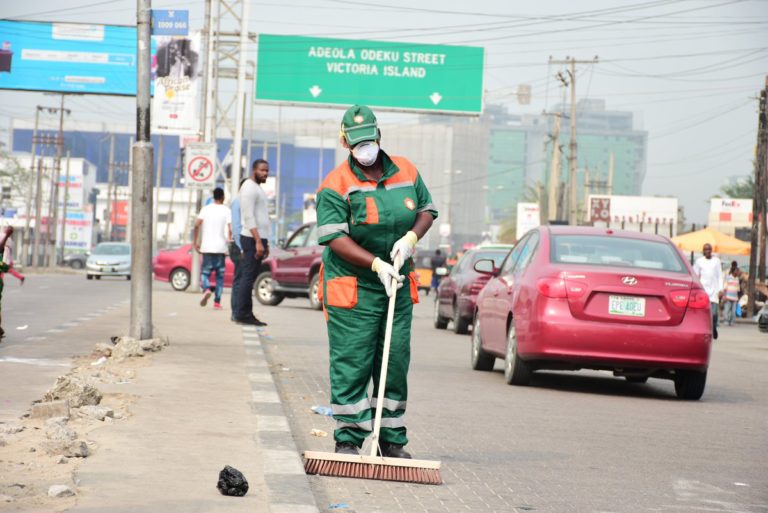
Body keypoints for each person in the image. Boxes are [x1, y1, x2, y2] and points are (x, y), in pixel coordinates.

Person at [316, 105, 437, 458]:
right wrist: (375, 264)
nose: (364, 148)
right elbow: (334, 237)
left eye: (368, 140)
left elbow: (426, 210)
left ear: (379, 136)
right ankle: (349, 438)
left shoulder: (407, 170)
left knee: (394, 360)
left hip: (396, 283)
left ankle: (390, 437)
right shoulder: (335, 184)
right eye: (356, 143)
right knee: (352, 360)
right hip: (353, 285)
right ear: (345, 143)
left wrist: (411, 238)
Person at [233, 159, 270, 326]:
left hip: (258, 238)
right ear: (254, 170)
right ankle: (242, 314)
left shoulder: (257, 188)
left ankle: (246, 313)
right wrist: (258, 242)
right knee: (247, 278)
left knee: (251, 278)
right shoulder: (248, 187)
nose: (265, 173)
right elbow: (248, 217)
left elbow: (262, 217)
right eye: (262, 170)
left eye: (267, 170)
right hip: (251, 238)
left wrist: (265, 243)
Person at [193, 187, 231, 310]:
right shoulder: (226, 210)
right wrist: (230, 239)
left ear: (213, 197)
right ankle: (217, 302)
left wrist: (195, 242)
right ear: (223, 197)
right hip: (220, 248)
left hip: (207, 247)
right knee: (220, 276)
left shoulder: (205, 209)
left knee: (205, 273)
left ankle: (207, 289)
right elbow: (230, 228)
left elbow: (196, 225)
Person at [693, 243, 723, 339]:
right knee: (703, 314)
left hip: (714, 291)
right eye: (706, 249)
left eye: (709, 249)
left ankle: (713, 328)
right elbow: (695, 276)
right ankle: (705, 330)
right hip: (703, 291)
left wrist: (721, 289)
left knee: (714, 314)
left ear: (711, 250)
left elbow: (720, 276)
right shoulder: (699, 261)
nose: (708, 251)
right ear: (703, 251)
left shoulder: (716, 261)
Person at [229, 179, 247, 321]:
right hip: (240, 246)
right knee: (239, 280)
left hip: (246, 245)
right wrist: (242, 248)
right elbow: (236, 228)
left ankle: (242, 311)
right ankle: (236, 312)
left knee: (245, 281)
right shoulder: (237, 202)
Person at [722, 261, 741, 326]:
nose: (738, 272)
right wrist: (724, 296)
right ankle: (726, 320)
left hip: (734, 298)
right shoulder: (728, 278)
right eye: (737, 271)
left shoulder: (737, 279)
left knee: (733, 311)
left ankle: (732, 321)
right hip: (728, 297)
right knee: (727, 310)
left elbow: (738, 289)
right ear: (733, 271)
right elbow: (725, 288)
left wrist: (738, 298)